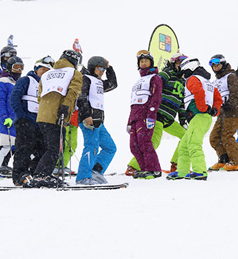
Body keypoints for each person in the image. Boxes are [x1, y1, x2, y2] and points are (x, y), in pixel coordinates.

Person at [25, 50, 83, 188]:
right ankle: (41, 175)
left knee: (48, 147)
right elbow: (73, 93)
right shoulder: (74, 73)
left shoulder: (47, 74)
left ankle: (40, 174)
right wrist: (65, 108)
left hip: (42, 114)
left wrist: (47, 108)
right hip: (58, 114)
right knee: (54, 148)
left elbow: (40, 96)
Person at [125, 53, 188, 176]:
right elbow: (155, 88)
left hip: (169, 117)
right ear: (174, 63)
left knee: (186, 136)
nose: (182, 66)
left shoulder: (183, 81)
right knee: (153, 141)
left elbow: (181, 103)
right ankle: (134, 166)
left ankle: (176, 164)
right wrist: (150, 111)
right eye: (180, 63)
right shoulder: (166, 74)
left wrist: (183, 120)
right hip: (158, 114)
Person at [167, 57, 222, 180]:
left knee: (193, 143)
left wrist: (202, 108)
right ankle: (182, 171)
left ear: (189, 67)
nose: (183, 74)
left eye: (183, 70)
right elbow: (218, 98)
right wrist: (214, 110)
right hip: (204, 117)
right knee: (185, 145)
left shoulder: (193, 79)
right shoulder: (208, 82)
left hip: (198, 116)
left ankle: (200, 171)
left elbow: (198, 92)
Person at [9, 56, 54, 185]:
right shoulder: (26, 80)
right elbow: (14, 98)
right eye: (43, 69)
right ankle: (19, 175)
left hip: (40, 123)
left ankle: (36, 173)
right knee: (24, 148)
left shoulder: (47, 85)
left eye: (48, 71)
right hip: (26, 121)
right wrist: (21, 115)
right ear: (36, 69)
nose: (44, 72)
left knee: (42, 149)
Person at [75, 56, 118, 185]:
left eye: (103, 69)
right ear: (93, 67)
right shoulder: (85, 78)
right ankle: (83, 177)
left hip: (99, 121)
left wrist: (110, 68)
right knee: (91, 146)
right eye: (100, 68)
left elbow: (113, 84)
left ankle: (95, 171)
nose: (102, 72)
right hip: (88, 119)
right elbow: (81, 97)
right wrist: (87, 115)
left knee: (110, 147)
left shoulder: (98, 81)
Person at [127, 50, 163, 179]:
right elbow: (133, 102)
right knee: (133, 146)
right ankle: (144, 169)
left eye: (146, 61)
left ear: (151, 63)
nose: (143, 63)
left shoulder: (155, 78)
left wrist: (151, 116)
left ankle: (154, 169)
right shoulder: (138, 81)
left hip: (145, 116)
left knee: (144, 143)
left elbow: (156, 98)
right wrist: (129, 121)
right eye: (141, 61)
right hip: (135, 117)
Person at [208, 54, 238, 171]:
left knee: (227, 136)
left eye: (217, 64)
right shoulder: (216, 81)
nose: (215, 67)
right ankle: (224, 160)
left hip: (232, 113)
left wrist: (228, 105)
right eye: (213, 65)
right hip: (221, 114)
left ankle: (237, 162)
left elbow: (235, 94)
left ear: (223, 64)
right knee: (214, 137)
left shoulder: (231, 76)